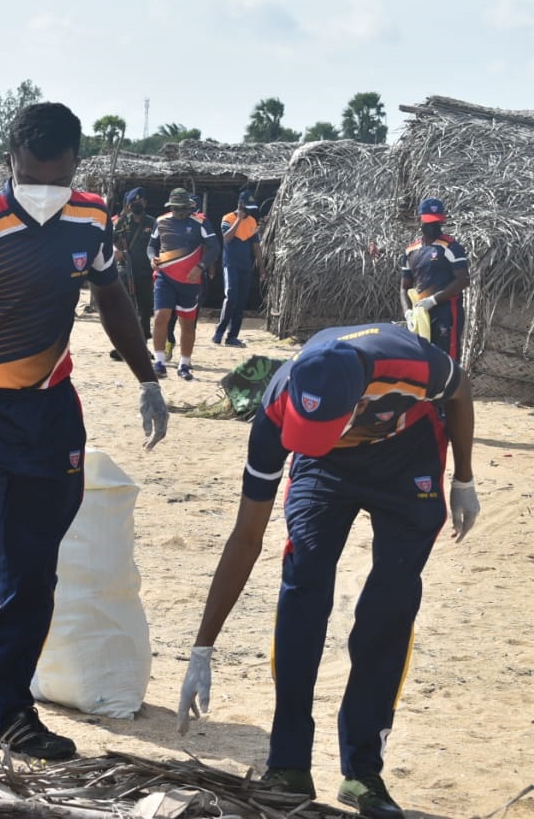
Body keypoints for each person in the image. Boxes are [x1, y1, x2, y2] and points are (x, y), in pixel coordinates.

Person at [0, 102, 169, 764]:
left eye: (58, 177)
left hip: (52, 416)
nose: (47, 191)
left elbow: (111, 297)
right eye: (34, 177)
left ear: (75, 167)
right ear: (11, 165)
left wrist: (146, 378)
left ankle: (14, 708)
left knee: (34, 570)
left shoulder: (91, 217)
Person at [177, 322, 479, 818]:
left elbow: (461, 388)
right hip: (327, 470)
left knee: (391, 603)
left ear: (358, 404)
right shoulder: (277, 410)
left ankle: (364, 773)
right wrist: (202, 648)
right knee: (304, 585)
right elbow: (246, 536)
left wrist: (464, 477)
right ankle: (288, 763)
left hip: (408, 453)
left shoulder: (409, 363)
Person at [148, 188, 220, 381]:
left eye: (183, 208)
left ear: (189, 206)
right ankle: (160, 362)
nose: (180, 211)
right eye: (176, 208)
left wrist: (201, 266)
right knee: (161, 316)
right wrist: (151, 258)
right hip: (164, 277)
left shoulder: (200, 222)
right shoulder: (161, 221)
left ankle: (184, 363)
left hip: (190, 281)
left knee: (187, 324)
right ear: (170, 206)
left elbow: (215, 247)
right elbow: (151, 245)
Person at [401, 198, 469, 361]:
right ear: (420, 221)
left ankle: (451, 386)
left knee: (446, 358)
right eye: (430, 223)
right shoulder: (411, 251)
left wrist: (434, 300)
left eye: (437, 223)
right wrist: (408, 312)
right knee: (422, 357)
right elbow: (404, 287)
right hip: (421, 313)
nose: (434, 228)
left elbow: (463, 280)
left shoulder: (451, 247)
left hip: (446, 310)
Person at [107, 187, 157, 360]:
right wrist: (116, 251)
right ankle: (123, 348)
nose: (137, 205)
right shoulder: (122, 222)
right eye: (134, 202)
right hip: (125, 272)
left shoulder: (152, 223)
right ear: (129, 205)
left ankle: (142, 347)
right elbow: (109, 241)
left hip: (144, 273)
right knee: (124, 311)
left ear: (145, 203)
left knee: (144, 311)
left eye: (140, 202)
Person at [213, 190, 265, 347]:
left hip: (245, 267)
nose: (249, 210)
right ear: (240, 204)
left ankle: (232, 336)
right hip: (230, 265)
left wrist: (262, 267)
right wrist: (238, 220)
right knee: (231, 297)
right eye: (247, 207)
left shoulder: (252, 222)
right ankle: (219, 331)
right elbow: (227, 238)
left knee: (241, 302)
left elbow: (256, 246)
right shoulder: (227, 218)